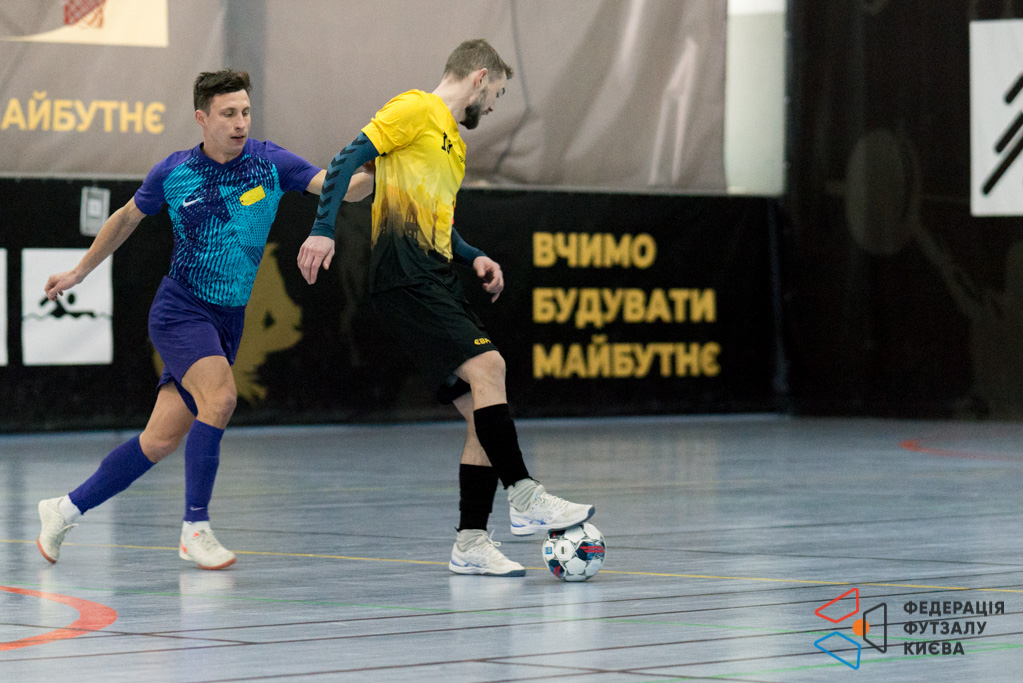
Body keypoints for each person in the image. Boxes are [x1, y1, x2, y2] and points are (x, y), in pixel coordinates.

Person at [36, 69, 372, 570]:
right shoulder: (173, 173)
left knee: (159, 440)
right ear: (202, 118)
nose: (240, 123)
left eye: (245, 113)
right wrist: (80, 271)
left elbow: (342, 188)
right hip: (180, 311)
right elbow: (126, 217)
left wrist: (377, 171)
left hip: (227, 321)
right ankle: (195, 528)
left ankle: (63, 509)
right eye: (228, 114)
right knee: (222, 397)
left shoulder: (270, 162)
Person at [297, 39, 595, 577]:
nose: (494, 105)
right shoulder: (414, 108)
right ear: (480, 77)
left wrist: (473, 254)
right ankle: (524, 496)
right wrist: (323, 229)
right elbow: (345, 160)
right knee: (491, 367)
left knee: (484, 410)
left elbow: (436, 218)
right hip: (403, 276)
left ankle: (471, 542)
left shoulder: (453, 144)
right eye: (497, 92)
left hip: (436, 275)